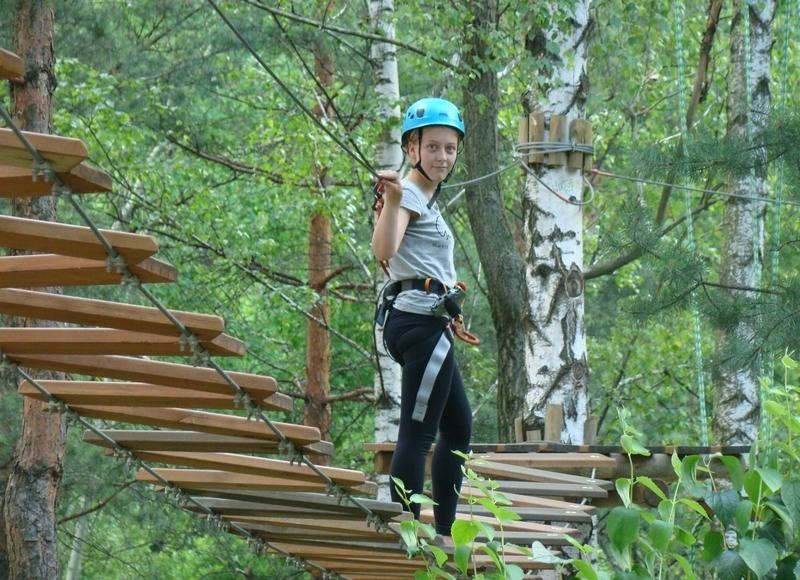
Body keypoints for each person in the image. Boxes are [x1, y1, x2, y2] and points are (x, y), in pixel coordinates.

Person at [372, 97, 472, 537]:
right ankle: (410, 535)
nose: (443, 157)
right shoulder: (409, 193)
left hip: (426, 323)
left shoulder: (425, 199)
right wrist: (393, 201)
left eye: (450, 148)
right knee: (418, 433)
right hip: (420, 325)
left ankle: (444, 529)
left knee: (458, 426)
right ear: (411, 148)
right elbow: (384, 250)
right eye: (433, 147)